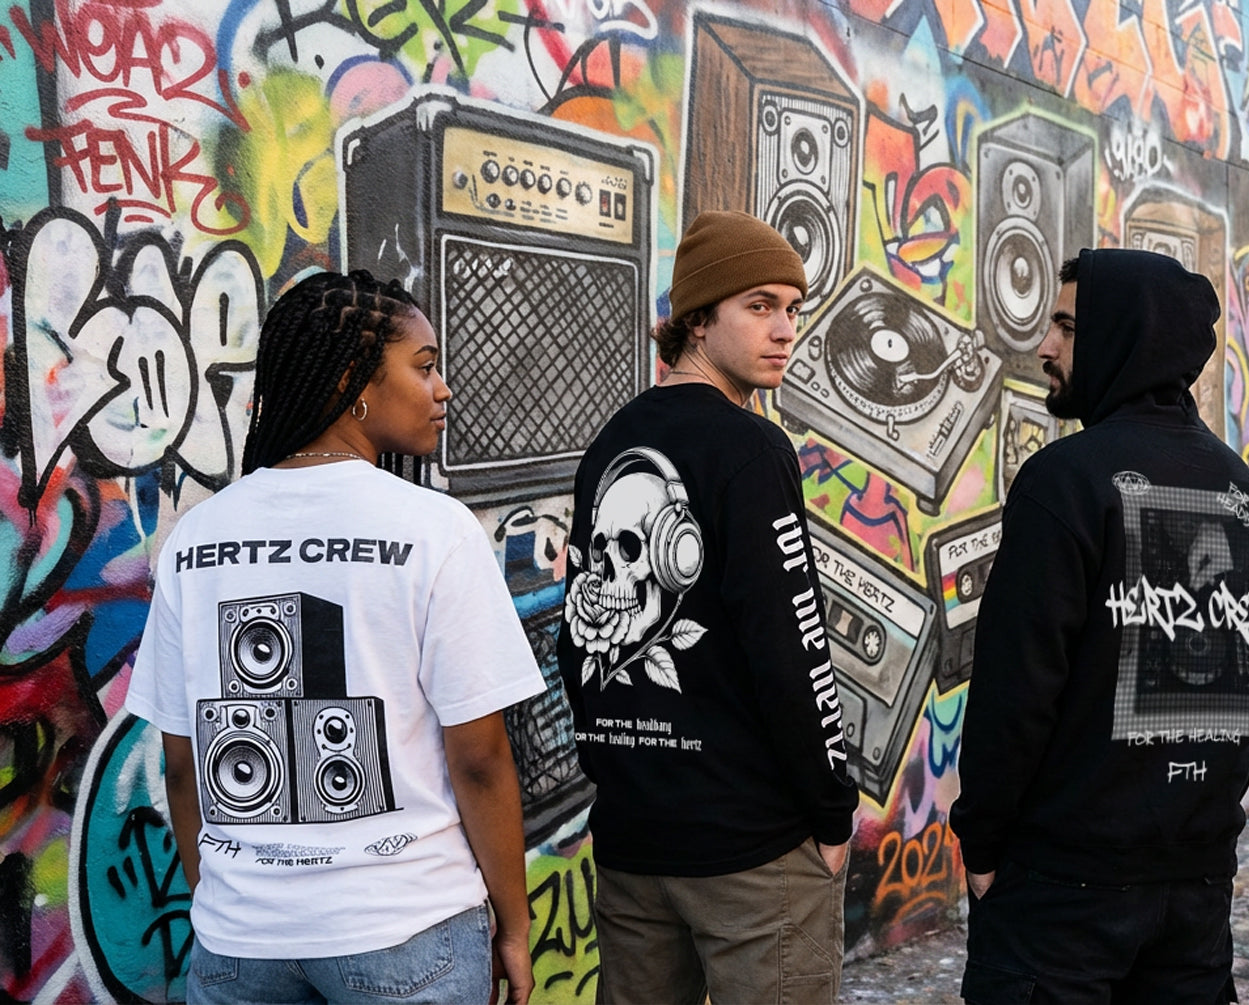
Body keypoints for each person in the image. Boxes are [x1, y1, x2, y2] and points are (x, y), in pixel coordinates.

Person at [125, 269, 545, 1004]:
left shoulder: (195, 539)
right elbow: (479, 757)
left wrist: (229, 907)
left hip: (240, 942)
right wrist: (512, 922)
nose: (442, 388)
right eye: (423, 366)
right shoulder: (435, 529)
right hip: (406, 929)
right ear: (354, 379)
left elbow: (183, 764)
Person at [949, 249, 1249, 1003]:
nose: (1045, 346)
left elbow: (1015, 686)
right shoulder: (1247, 495)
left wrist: (984, 837)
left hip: (1064, 891)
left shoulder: (1064, 481)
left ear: (1124, 335)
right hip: (1195, 887)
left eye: (1067, 324)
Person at [557, 210, 859, 1005]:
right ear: (697, 317)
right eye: (759, 305)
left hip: (634, 839)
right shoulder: (751, 449)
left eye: (794, 308)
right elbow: (793, 648)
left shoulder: (610, 446)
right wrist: (833, 811)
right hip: (748, 853)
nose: (785, 329)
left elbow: (579, 640)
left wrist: (620, 780)